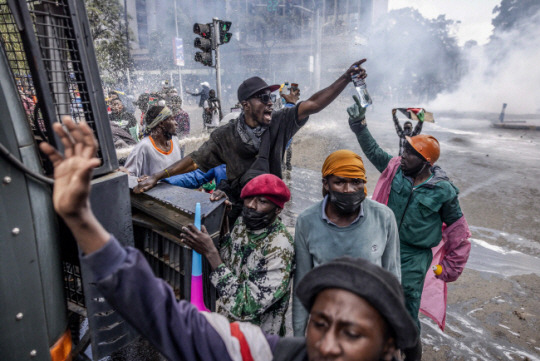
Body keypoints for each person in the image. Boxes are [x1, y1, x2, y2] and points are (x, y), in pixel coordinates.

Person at [38, 118, 418, 360]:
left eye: (352, 333)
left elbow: (245, 303)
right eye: (321, 324)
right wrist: (82, 220)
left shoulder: (281, 245)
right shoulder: (271, 353)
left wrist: (212, 256)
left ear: (387, 347)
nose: (328, 345)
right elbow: (168, 319)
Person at [134, 59, 369, 225]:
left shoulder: (279, 121)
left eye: (272, 98)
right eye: (264, 98)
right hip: (237, 211)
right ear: (245, 104)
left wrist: (345, 78)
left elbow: (314, 104)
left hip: (270, 210)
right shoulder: (225, 135)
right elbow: (194, 162)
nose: (270, 102)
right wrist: (158, 177)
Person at [347, 96, 471, 360]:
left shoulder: (443, 191)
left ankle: (412, 354)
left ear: (426, 161)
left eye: (411, 154)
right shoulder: (395, 170)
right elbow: (374, 151)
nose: (403, 155)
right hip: (383, 246)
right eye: (404, 151)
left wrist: (450, 268)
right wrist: (358, 124)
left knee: (405, 308)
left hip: (415, 257)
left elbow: (459, 233)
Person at [293, 149, 400, 336]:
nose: (348, 189)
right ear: (326, 184)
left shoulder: (384, 217)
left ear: (364, 183)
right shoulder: (307, 221)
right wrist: (299, 337)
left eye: (356, 182)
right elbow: (301, 283)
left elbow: (392, 276)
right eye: (340, 182)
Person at [180, 174, 294, 336]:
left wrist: (210, 252)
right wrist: (223, 218)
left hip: (257, 340)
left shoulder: (279, 247)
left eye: (262, 201)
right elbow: (230, 260)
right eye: (249, 198)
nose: (252, 205)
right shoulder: (244, 223)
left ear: (277, 209)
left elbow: (246, 306)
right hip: (229, 328)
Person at [124, 105, 182, 177]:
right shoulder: (144, 146)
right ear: (161, 124)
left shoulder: (174, 140)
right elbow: (129, 176)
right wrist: (141, 180)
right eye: (172, 119)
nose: (176, 123)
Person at [281, 83, 300, 171]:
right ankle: (283, 163)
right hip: (284, 132)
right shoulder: (282, 100)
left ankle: (287, 163)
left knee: (288, 147)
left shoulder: (285, 100)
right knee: (285, 147)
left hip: (287, 132)